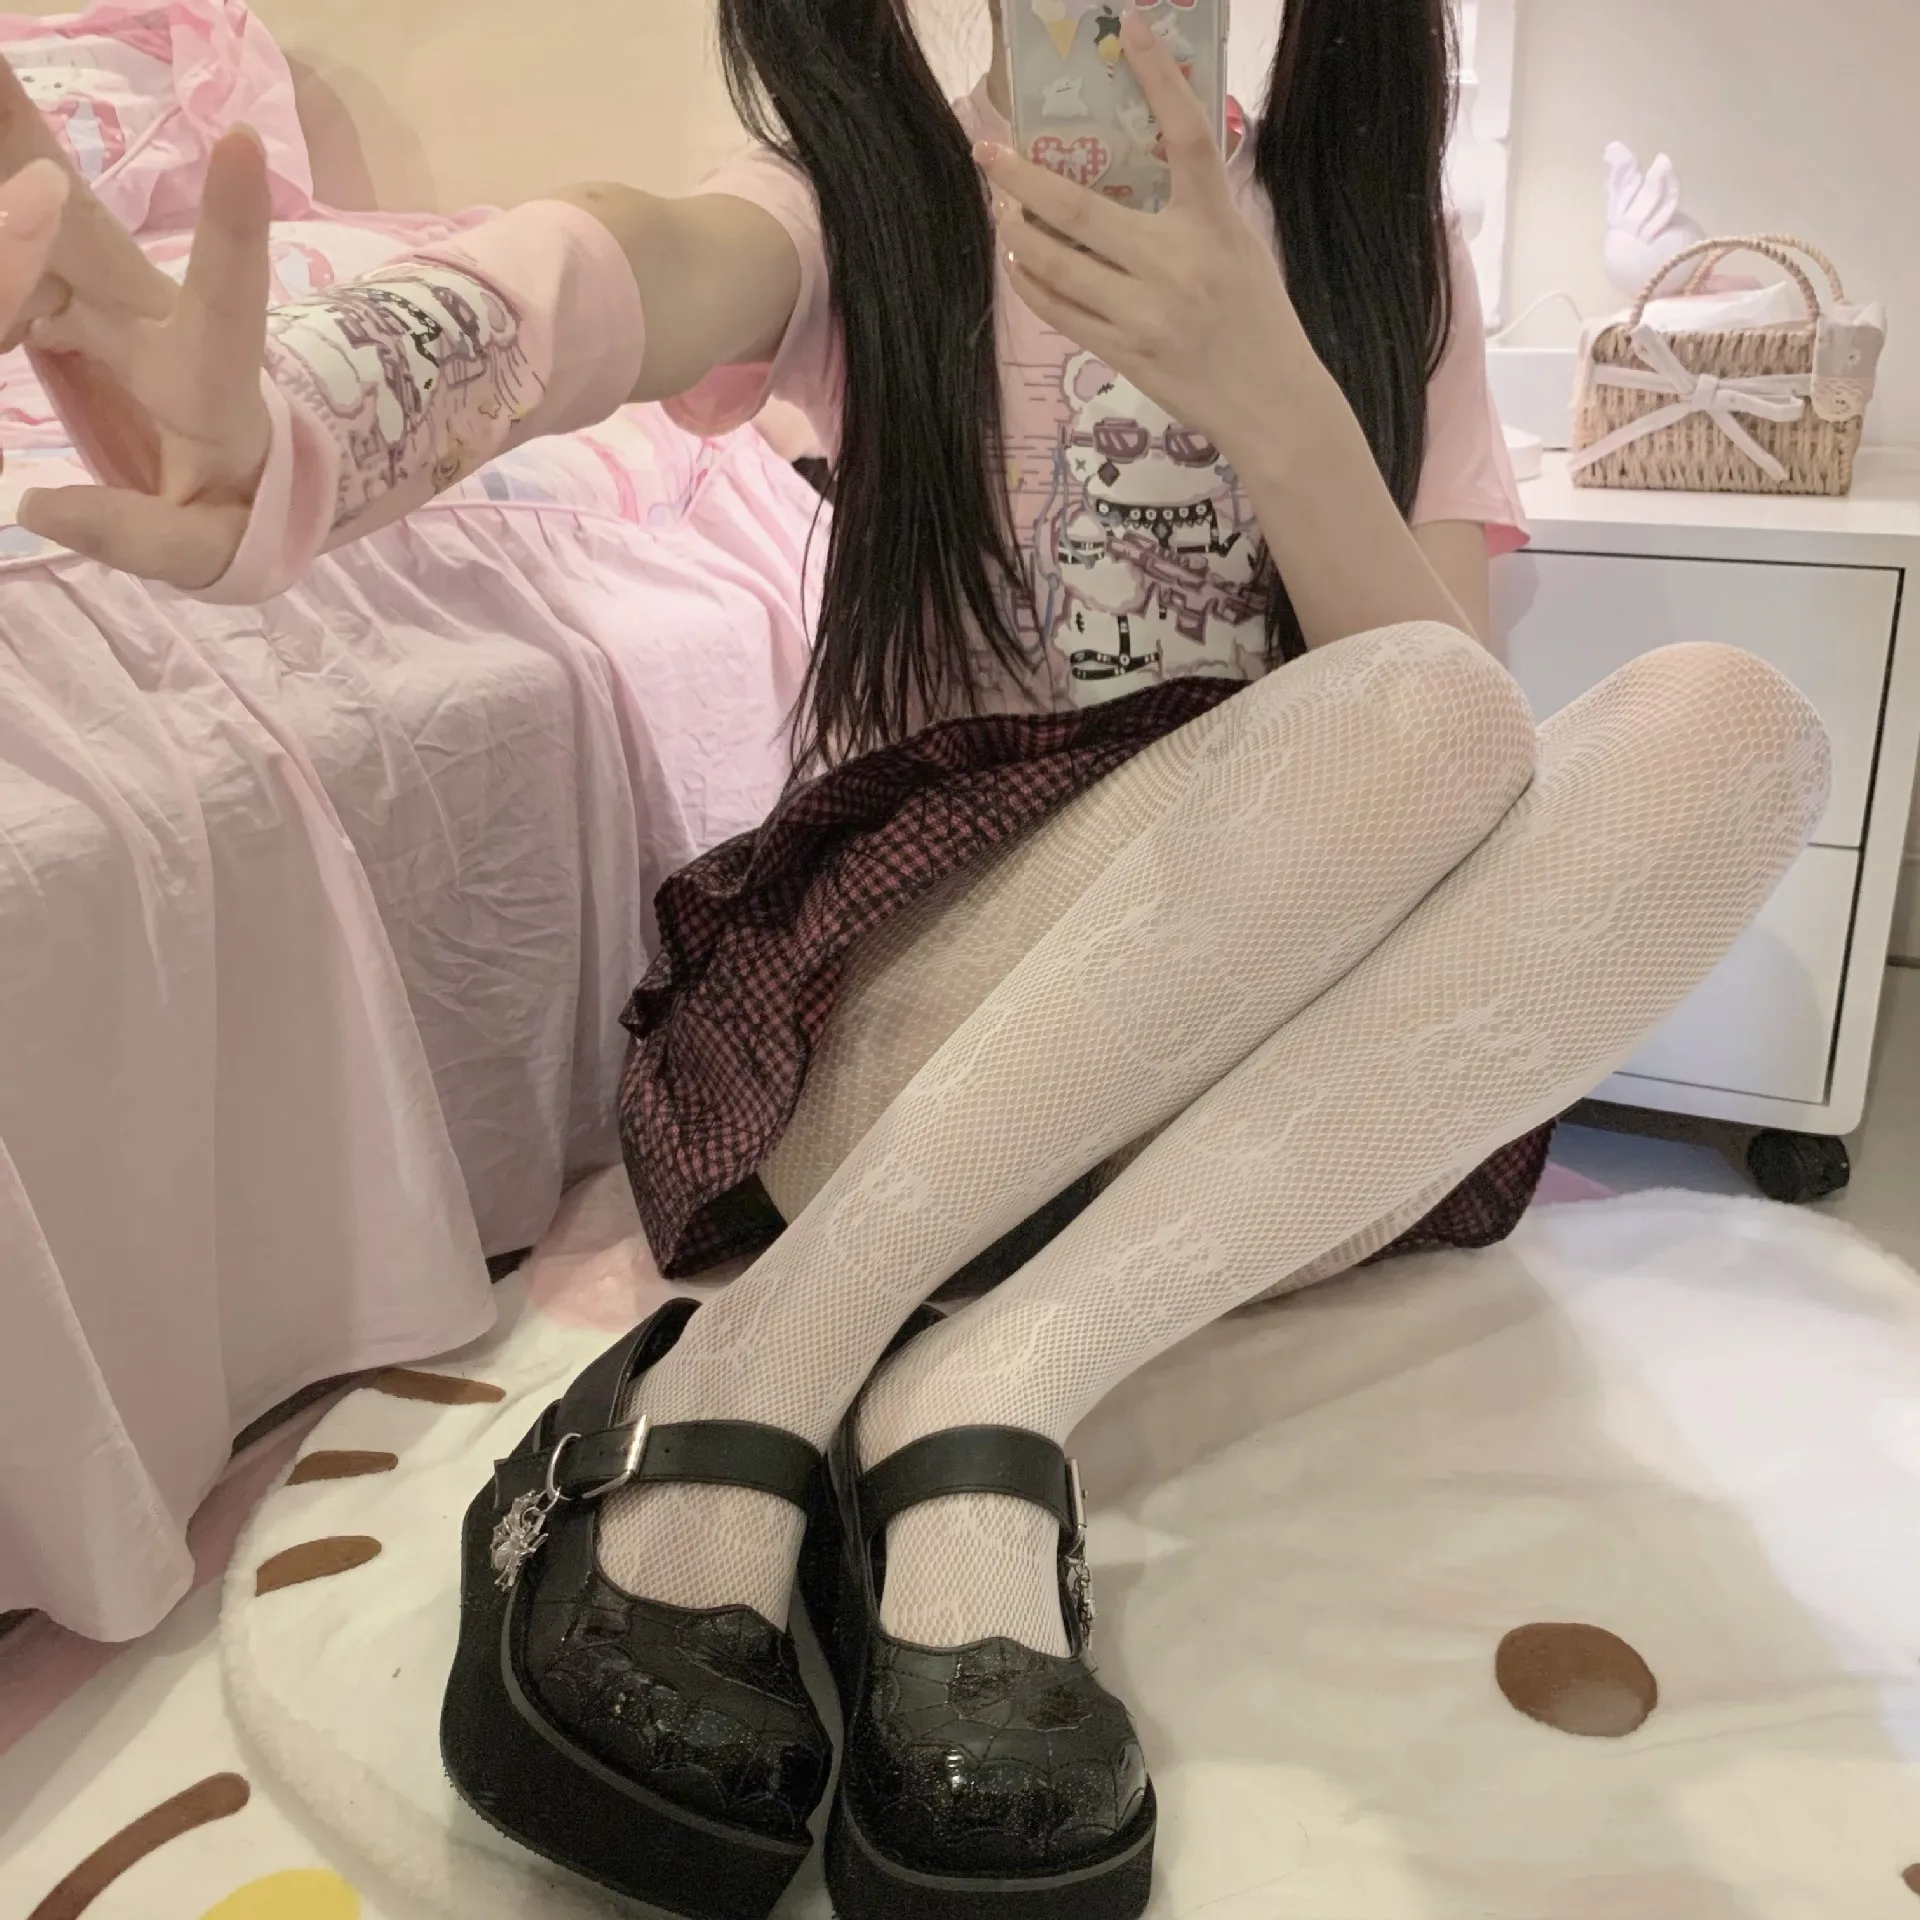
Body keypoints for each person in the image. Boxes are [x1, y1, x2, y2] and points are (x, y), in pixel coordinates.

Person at [0, 3, 1828, 1917]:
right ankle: (776, 1348)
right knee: (1420, 715)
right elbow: (619, 269)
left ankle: (992, 1379)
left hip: (1245, 1119)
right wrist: (299, 417)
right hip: (927, 1046)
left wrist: (1263, 378)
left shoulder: (1374, 227)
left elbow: (1463, 734)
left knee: (1716, 727)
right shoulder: (876, 198)